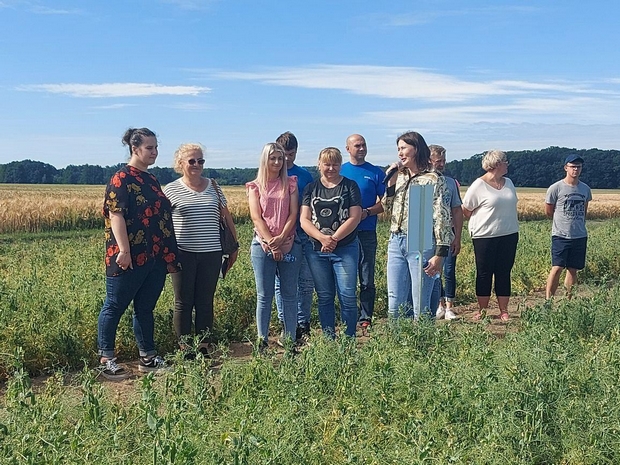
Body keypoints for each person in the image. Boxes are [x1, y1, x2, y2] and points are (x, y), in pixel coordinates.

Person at [97, 128, 181, 380]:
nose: (154, 152)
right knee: (114, 305)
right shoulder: (121, 178)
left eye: (156, 147)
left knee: (145, 308)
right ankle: (106, 359)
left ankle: (148, 357)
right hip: (129, 256)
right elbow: (116, 215)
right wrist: (124, 250)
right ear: (135, 149)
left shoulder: (151, 179)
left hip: (154, 255)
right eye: (149, 148)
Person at [163, 143, 238, 356]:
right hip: (182, 253)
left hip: (212, 253)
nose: (197, 165)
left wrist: (234, 245)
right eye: (192, 161)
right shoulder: (171, 190)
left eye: (201, 161)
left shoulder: (213, 185)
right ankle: (185, 347)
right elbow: (163, 223)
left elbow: (226, 215)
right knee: (183, 302)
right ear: (180, 164)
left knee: (205, 301)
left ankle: (204, 345)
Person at [383, 131, 453, 320]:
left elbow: (442, 217)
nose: (400, 153)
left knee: (419, 301)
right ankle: (395, 344)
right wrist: (390, 182)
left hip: (419, 236)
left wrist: (440, 254)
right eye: (398, 149)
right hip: (396, 238)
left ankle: (421, 344)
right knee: (394, 300)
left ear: (416, 149)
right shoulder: (401, 176)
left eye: (404, 148)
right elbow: (386, 207)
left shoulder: (432, 178)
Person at [301, 147, 362, 338]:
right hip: (317, 251)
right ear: (319, 164)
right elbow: (304, 219)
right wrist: (322, 238)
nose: (331, 168)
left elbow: (355, 216)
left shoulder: (350, 186)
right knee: (325, 297)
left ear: (340, 164)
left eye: (335, 163)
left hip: (345, 248)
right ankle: (329, 339)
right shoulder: (311, 188)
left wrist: (334, 239)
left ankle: (349, 339)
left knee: (347, 296)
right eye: (327, 163)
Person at [246, 143, 301, 351]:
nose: (277, 162)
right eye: (273, 158)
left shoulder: (291, 183)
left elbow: (293, 214)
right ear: (265, 160)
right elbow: (256, 217)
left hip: (289, 243)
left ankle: (289, 339)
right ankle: (262, 340)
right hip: (262, 246)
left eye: (280, 158)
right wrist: (271, 241)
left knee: (289, 294)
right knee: (264, 295)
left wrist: (281, 238)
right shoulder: (255, 186)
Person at [461, 150, 519, 321]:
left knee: (504, 272)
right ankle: (483, 310)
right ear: (496, 164)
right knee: (484, 273)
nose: (508, 164)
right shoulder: (478, 185)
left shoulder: (509, 183)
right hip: (484, 236)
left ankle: (504, 310)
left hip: (509, 234)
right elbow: (466, 209)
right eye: (505, 161)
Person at [340, 134, 385, 329]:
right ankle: (346, 316)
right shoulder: (339, 171)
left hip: (366, 231)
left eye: (364, 145)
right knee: (344, 277)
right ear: (348, 149)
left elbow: (386, 203)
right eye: (357, 145)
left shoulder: (375, 173)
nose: (361, 148)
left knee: (366, 277)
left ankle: (365, 317)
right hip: (342, 233)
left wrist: (367, 212)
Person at [273, 132, 315, 342]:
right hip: (281, 237)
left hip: (303, 235)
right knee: (282, 284)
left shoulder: (305, 176)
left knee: (306, 282)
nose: (287, 159)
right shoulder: (271, 174)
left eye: (291, 154)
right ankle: (285, 324)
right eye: (283, 154)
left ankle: (302, 324)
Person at [545, 154, 592, 300]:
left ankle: (568, 301)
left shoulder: (585, 189)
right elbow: (548, 211)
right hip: (560, 235)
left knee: (573, 270)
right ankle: (549, 301)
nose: (576, 169)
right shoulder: (556, 188)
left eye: (578, 167)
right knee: (557, 268)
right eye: (573, 166)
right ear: (566, 168)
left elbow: (584, 210)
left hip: (579, 235)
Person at [428, 145, 463, 320]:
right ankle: (438, 304)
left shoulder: (451, 182)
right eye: (438, 161)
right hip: (428, 235)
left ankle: (449, 306)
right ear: (429, 160)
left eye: (443, 161)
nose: (441, 164)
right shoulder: (423, 181)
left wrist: (458, 236)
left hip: (448, 234)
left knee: (449, 270)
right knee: (434, 271)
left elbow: (457, 210)